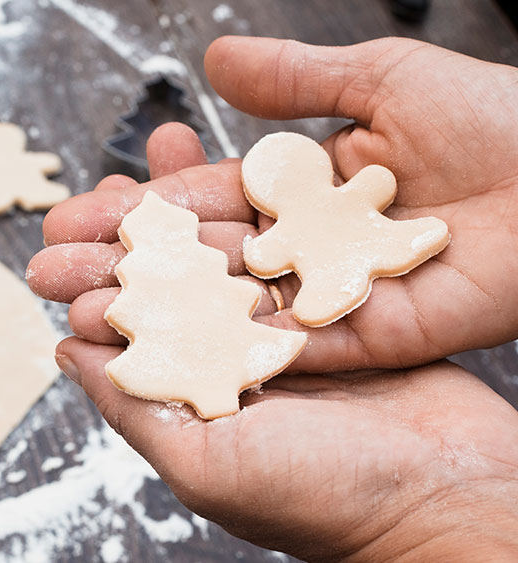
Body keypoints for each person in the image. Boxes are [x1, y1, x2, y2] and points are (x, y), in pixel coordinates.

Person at [27, 36, 518, 561]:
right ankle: (369, 263)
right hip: (329, 267)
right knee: (334, 282)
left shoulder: (327, 199)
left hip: (365, 239)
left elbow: (346, 202)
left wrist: (440, 520)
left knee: (388, 244)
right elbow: (267, 253)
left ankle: (401, 243)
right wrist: (452, 518)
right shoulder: (294, 220)